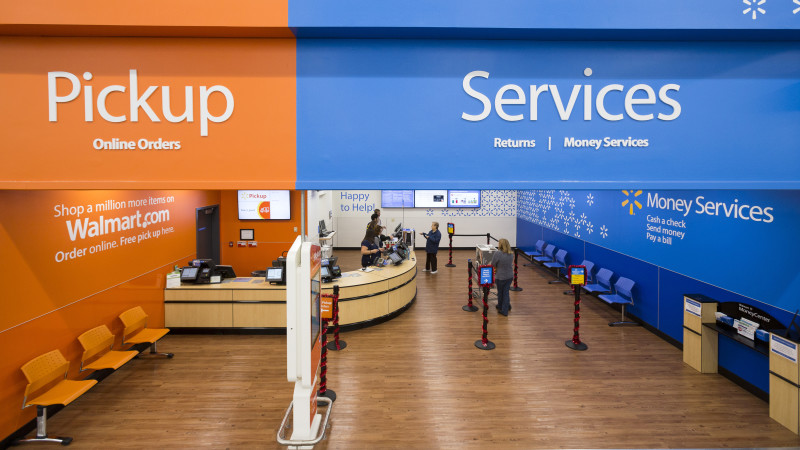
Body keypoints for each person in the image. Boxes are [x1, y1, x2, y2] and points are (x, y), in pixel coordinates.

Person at [491, 238, 514, 316]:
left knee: (501, 292)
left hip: (500, 276)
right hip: (509, 276)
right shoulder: (511, 253)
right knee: (505, 291)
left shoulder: (498, 253)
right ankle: (503, 305)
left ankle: (504, 310)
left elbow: (493, 264)